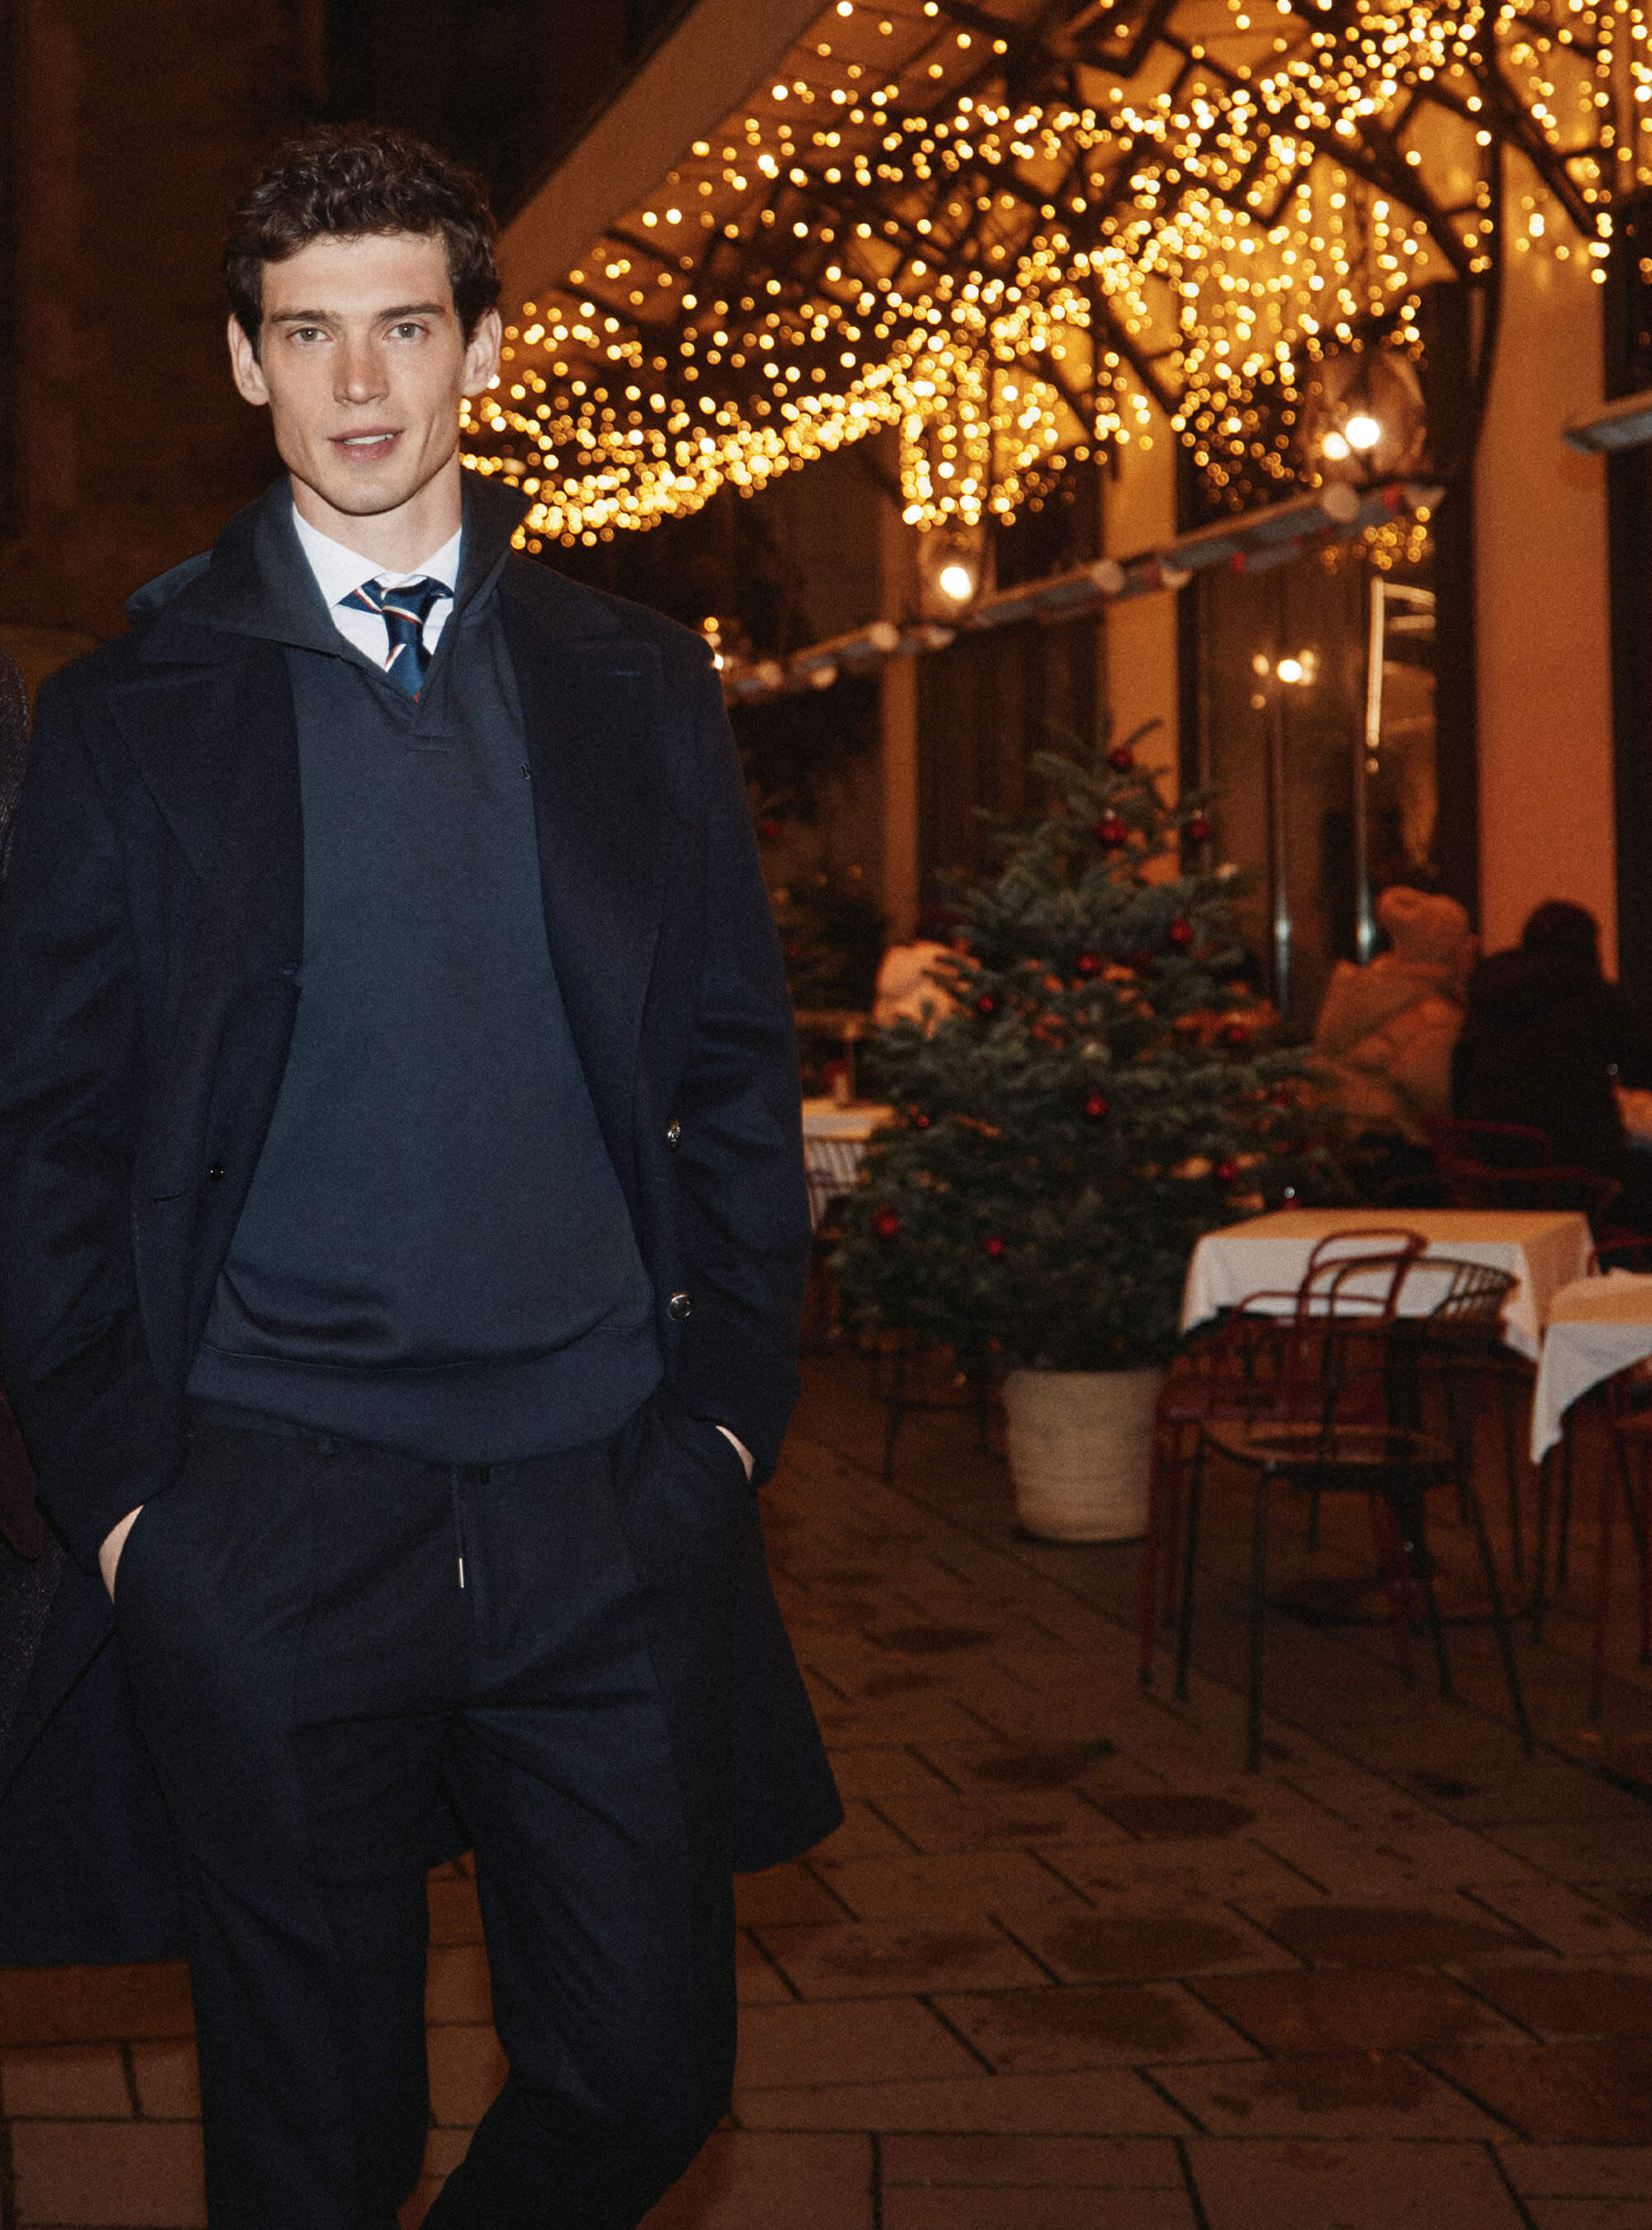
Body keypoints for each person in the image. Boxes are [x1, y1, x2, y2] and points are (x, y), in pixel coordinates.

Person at [0, 127, 839, 2230]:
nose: (360, 384)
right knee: (315, 2154)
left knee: (644, 2080)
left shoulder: (632, 679)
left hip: (604, 1501)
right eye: (308, 334)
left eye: (402, 325)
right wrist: (126, 1503)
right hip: (267, 1515)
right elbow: (50, 1129)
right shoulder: (124, 713)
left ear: (483, 343)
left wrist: (723, 1427)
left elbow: (734, 1067)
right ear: (243, 362)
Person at [1452, 902, 1652, 1214]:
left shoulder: (1489, 989)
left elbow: (1460, 1068)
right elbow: (1638, 1067)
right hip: (1572, 1162)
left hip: (1490, 1162)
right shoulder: (1597, 995)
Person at [1312, 885, 1475, 1144]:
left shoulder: (1369, 988)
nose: (1473, 943)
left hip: (1347, 1130)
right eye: (1464, 936)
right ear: (1443, 947)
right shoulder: (1438, 1013)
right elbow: (1439, 1094)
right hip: (1392, 1136)